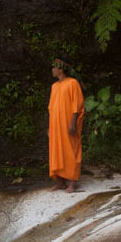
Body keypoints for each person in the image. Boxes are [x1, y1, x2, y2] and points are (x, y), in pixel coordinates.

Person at [48, 54, 84, 192]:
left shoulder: (72, 83)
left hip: (68, 123)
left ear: (60, 69)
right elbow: (51, 108)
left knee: (72, 149)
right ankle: (60, 181)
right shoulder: (54, 86)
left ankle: (72, 182)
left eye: (54, 67)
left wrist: (73, 123)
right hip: (56, 125)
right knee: (56, 151)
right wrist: (50, 127)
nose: (52, 69)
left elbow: (77, 104)